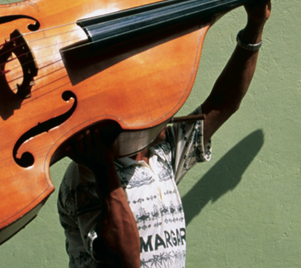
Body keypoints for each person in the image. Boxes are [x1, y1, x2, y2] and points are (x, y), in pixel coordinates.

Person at [58, 1, 272, 267]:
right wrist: (104, 171)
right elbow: (124, 260)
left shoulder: (162, 155)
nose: (169, 107)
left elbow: (223, 103)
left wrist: (255, 26)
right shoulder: (87, 172)